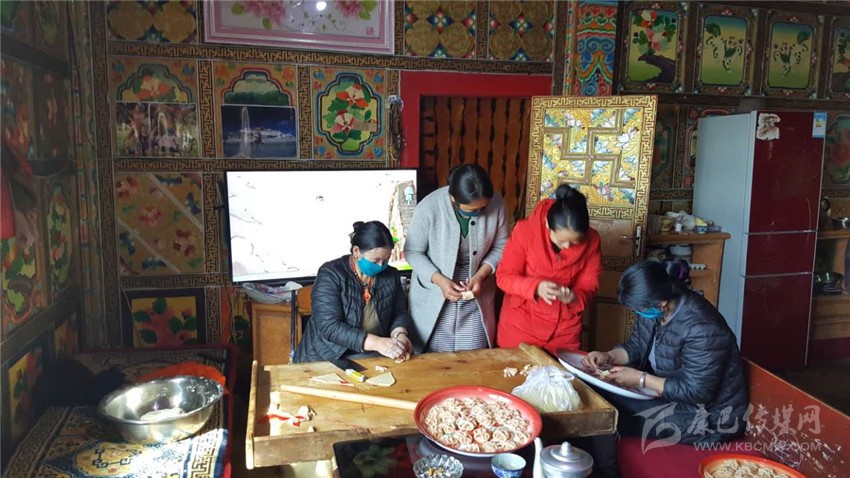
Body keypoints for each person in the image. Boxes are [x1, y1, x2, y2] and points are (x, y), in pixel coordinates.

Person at [582, 259, 747, 466]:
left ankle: (607, 473)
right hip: (669, 395)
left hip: (707, 418)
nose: (638, 313)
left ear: (660, 304)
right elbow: (636, 346)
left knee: (607, 416)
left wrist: (641, 379)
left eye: (639, 309)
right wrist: (609, 356)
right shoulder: (657, 309)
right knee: (593, 395)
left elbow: (697, 392)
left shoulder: (702, 328)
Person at [404, 163, 509, 353]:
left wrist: (481, 275)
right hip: (437, 285)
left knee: (474, 354)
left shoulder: (497, 203)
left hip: (477, 285)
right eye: (471, 211)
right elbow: (413, 252)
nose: (479, 213)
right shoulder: (429, 207)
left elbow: (502, 246)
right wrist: (439, 280)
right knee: (436, 355)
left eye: (483, 208)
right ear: (453, 199)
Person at [496, 184, 601, 354]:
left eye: (575, 242)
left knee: (560, 371)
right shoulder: (525, 231)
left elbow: (589, 286)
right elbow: (504, 277)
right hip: (520, 322)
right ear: (547, 223)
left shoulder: (593, 240)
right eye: (561, 241)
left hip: (564, 327)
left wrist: (573, 297)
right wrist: (536, 287)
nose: (567, 246)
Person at [294, 221, 413, 364]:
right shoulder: (331, 274)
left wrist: (399, 334)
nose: (381, 265)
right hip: (326, 355)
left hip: (372, 354)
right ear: (356, 252)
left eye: (386, 260)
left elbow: (398, 313)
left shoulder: (391, 275)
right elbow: (329, 326)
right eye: (375, 260)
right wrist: (377, 343)